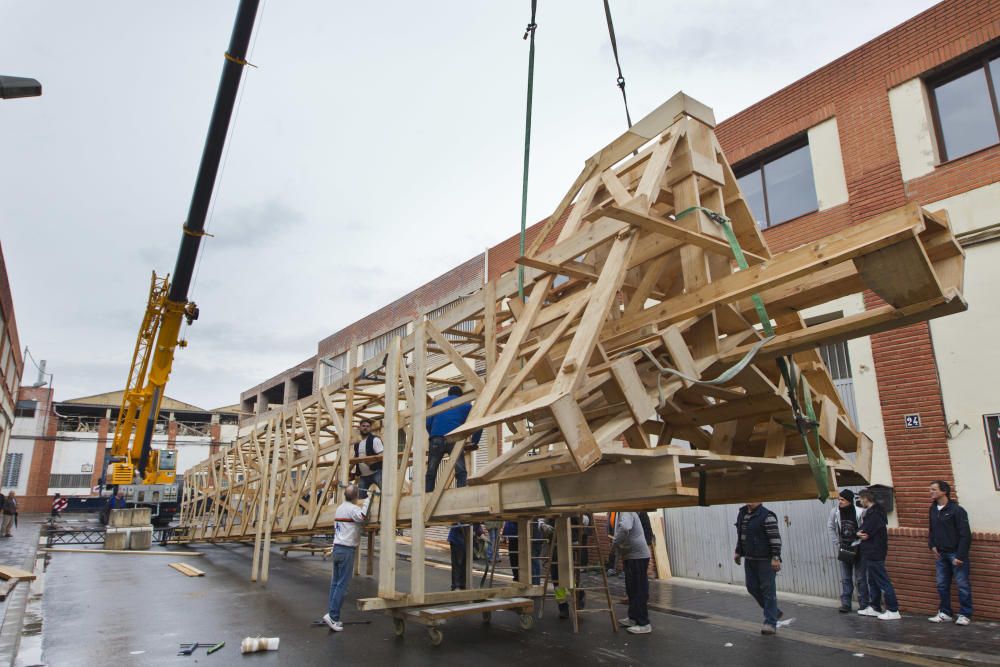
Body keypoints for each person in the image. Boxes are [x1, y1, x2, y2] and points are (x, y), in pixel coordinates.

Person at [322, 484, 372, 632]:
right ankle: (333, 616)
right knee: (342, 585)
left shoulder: (340, 508)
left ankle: (331, 613)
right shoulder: (353, 509)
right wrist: (369, 500)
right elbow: (363, 517)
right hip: (346, 550)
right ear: (356, 497)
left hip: (337, 547)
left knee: (335, 584)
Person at [927, 480, 973, 625]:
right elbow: (932, 529)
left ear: (944, 491)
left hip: (955, 554)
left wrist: (960, 555)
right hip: (940, 554)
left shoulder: (957, 510)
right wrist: (932, 545)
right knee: (941, 584)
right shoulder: (933, 509)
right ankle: (945, 612)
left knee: (962, 584)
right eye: (930, 489)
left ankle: (965, 614)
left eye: (934, 489)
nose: (931, 492)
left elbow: (965, 534)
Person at [734, 502, 783, 635]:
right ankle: (774, 612)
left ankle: (770, 623)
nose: (750, 500)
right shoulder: (742, 513)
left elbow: (775, 538)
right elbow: (741, 535)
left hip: (765, 560)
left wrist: (776, 557)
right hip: (750, 558)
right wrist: (738, 551)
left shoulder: (767, 516)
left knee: (768, 591)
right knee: (751, 587)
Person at [425, 386, 483, 492]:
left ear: (449, 394)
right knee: (460, 470)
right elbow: (478, 424)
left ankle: (427, 495)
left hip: (436, 439)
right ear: (461, 395)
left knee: (431, 471)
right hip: (454, 438)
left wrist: (435, 435)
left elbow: (428, 423)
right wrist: (475, 441)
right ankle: (461, 493)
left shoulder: (437, 404)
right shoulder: (466, 405)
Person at [856, 489, 900, 620]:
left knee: (882, 580)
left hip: (875, 551)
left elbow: (865, 531)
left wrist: (859, 533)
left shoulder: (875, 514)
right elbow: (862, 529)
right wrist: (859, 532)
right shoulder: (874, 512)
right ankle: (875, 607)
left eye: (860, 498)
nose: (859, 501)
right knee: (873, 580)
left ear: (865, 498)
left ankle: (893, 610)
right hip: (872, 551)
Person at [828, 489, 868, 613]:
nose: (840, 502)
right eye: (839, 499)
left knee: (860, 577)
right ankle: (846, 604)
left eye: (843, 500)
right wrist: (837, 543)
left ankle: (864, 604)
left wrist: (861, 540)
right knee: (846, 577)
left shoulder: (860, 512)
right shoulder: (835, 512)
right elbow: (831, 527)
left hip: (858, 546)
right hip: (844, 547)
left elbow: (865, 527)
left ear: (849, 501)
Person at [612, 511, 651, 634]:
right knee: (632, 589)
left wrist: (615, 544)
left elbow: (625, 527)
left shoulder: (627, 510)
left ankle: (644, 623)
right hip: (631, 556)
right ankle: (633, 618)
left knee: (638, 589)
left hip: (637, 556)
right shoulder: (620, 512)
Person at [353, 419, 384, 499]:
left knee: (385, 494)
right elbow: (356, 459)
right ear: (359, 427)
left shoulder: (375, 440)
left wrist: (370, 462)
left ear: (370, 428)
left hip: (376, 472)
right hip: (363, 476)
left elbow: (382, 455)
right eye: (363, 426)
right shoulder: (357, 444)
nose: (365, 428)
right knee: (360, 498)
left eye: (368, 426)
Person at [448, 523, 467, 590]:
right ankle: (456, 585)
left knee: (464, 564)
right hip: (456, 541)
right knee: (457, 564)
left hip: (465, 542)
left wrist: (480, 533)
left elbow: (476, 523)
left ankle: (462, 585)